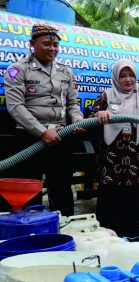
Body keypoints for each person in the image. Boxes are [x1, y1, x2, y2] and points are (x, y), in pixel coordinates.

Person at [4, 24, 84, 216]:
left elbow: (72, 103)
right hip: (30, 137)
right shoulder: (17, 70)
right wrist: (41, 132)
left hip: (60, 136)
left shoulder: (65, 72)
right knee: (30, 190)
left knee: (62, 187)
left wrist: (78, 120)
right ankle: (32, 233)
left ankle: (65, 229)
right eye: (47, 44)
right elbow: (15, 106)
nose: (52, 49)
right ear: (32, 44)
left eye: (55, 45)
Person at [92, 59, 139, 237]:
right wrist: (100, 113)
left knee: (137, 203)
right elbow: (90, 120)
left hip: (138, 162)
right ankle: (111, 241)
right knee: (112, 204)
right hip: (111, 161)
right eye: (122, 76)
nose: (128, 79)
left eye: (131, 75)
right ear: (115, 77)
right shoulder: (105, 96)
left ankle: (137, 241)